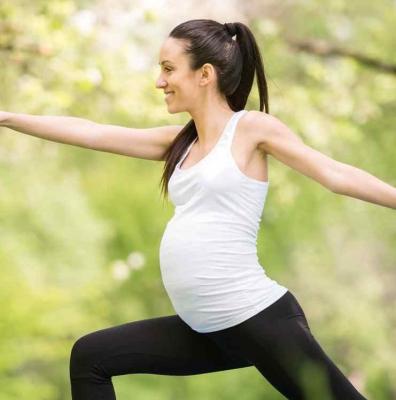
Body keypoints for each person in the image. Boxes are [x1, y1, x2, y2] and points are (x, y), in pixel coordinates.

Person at [2, 18, 395, 400]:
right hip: (207, 327)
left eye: (169, 69)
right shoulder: (179, 143)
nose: (160, 81)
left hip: (257, 318)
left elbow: (335, 174)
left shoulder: (251, 130)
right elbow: (91, 132)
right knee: (90, 357)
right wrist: (8, 117)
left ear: (205, 74)